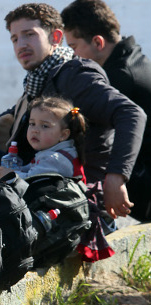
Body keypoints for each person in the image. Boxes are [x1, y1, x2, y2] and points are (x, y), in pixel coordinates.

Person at [0, 3, 146, 226]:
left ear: (56, 37)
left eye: (29, 35)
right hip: (40, 180)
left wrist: (116, 177)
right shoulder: (38, 82)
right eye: (15, 39)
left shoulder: (76, 76)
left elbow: (131, 112)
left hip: (72, 200)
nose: (21, 44)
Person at [61, 0, 151, 221]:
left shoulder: (120, 78)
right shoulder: (134, 60)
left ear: (98, 42)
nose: (73, 56)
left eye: (73, 47)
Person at [0, 96, 86, 181]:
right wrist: (11, 170)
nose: (35, 130)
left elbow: (30, 180)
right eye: (32, 124)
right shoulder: (50, 152)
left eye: (44, 126)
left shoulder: (56, 159)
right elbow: (30, 169)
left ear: (63, 135)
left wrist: (10, 175)